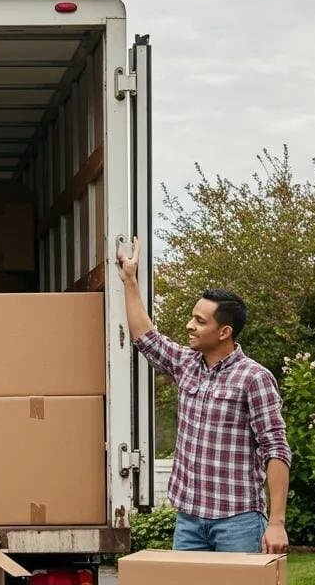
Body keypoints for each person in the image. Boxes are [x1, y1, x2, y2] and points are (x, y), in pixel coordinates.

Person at [117, 237, 290, 553]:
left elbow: (276, 449)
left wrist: (276, 522)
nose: (189, 326)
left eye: (200, 321)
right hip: (190, 521)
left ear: (224, 332)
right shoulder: (185, 364)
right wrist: (130, 279)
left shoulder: (254, 378)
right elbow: (145, 335)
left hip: (237, 521)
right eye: (192, 317)